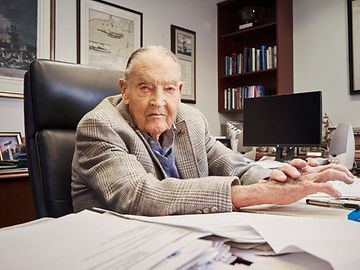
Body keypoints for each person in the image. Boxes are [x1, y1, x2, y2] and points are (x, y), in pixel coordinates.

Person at [71, 45, 354, 216]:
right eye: (145, 87)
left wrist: (282, 177)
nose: (159, 101)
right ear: (126, 90)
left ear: (179, 92)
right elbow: (140, 194)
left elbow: (235, 166)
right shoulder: (100, 125)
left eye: (169, 89)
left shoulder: (190, 120)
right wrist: (259, 194)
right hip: (117, 249)